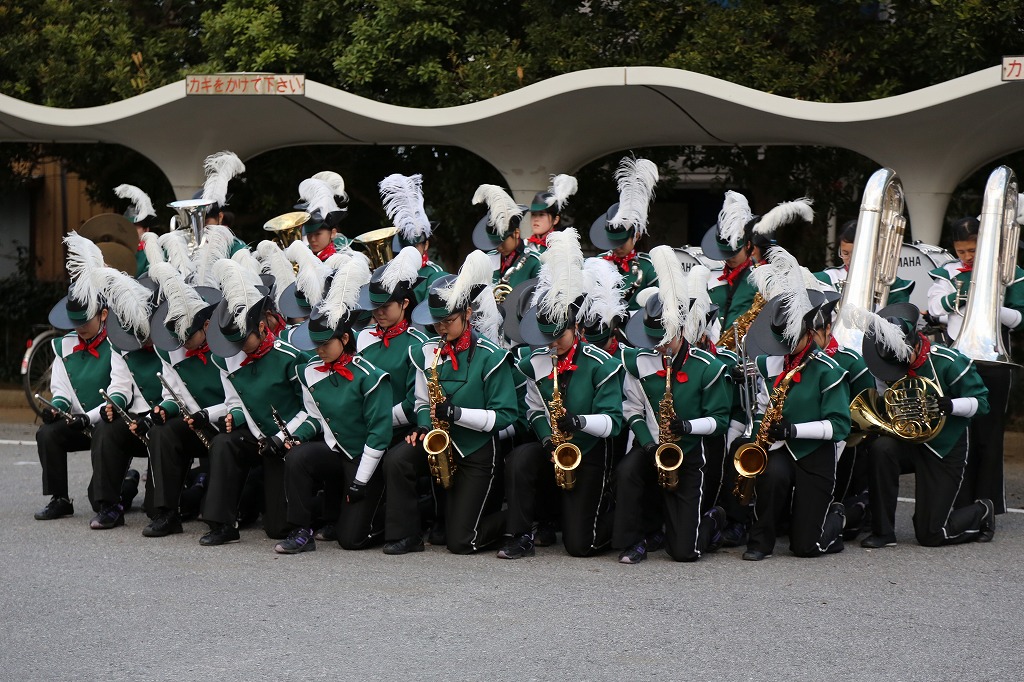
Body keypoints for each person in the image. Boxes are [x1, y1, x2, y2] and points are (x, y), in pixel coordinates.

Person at [500, 228, 624, 559]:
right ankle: (520, 535)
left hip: (591, 449)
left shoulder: (601, 364)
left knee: (580, 546)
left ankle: (624, 521)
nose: (552, 345)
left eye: (559, 337)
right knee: (520, 459)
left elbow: (614, 423)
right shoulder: (537, 359)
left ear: (576, 329)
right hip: (555, 447)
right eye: (547, 338)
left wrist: (577, 421)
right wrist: (546, 439)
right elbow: (533, 409)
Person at [384, 251, 517, 555]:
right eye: (436, 323)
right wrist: (423, 425)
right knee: (398, 459)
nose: (441, 329)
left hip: (477, 449)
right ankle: (406, 535)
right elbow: (420, 399)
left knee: (462, 542)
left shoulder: (490, 357)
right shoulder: (427, 351)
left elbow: (505, 415)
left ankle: (520, 520)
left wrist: (457, 413)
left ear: (467, 314)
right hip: (439, 440)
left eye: (448, 321)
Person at [615, 246, 731, 563]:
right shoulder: (641, 362)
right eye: (655, 340)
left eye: (665, 338)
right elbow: (632, 410)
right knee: (628, 471)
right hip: (654, 445)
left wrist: (686, 427)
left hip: (691, 452)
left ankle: (713, 519)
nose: (660, 347)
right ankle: (634, 540)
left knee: (684, 553)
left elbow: (720, 420)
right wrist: (649, 445)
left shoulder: (707, 367)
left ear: (680, 329)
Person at [740, 246, 850, 561]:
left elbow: (839, 426)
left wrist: (793, 430)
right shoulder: (771, 366)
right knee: (771, 477)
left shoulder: (830, 371)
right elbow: (761, 408)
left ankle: (837, 518)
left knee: (806, 548)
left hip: (816, 453)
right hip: (780, 450)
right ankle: (759, 542)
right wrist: (758, 436)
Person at [276, 256, 392, 553]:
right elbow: (314, 416)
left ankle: (384, 518)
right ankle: (301, 531)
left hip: (364, 458)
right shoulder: (308, 371)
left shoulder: (372, 377)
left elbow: (379, 435)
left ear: (344, 338)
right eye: (316, 344)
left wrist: (361, 481)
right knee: (298, 458)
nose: (320, 350)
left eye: (326, 343)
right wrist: (290, 436)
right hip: (333, 450)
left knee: (351, 541)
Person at [857, 302, 995, 547]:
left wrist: (951, 405)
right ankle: (883, 531)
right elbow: (884, 401)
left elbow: (983, 403)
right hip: (909, 439)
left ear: (915, 342)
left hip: (944, 446)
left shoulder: (949, 361)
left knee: (931, 534)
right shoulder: (883, 360)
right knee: (880, 449)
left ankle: (982, 511)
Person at [199, 258, 315, 546]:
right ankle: (222, 523)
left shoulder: (291, 357)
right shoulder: (227, 359)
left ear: (263, 328)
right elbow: (233, 400)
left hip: (288, 439)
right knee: (224, 443)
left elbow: (310, 408)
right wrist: (235, 415)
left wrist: (281, 436)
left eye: (244, 341)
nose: (238, 349)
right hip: (256, 436)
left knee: (278, 529)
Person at [34, 233, 136, 524]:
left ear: (103, 314)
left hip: (108, 423)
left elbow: (120, 392)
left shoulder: (116, 342)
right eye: (74, 324)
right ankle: (60, 499)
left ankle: (124, 486)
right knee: (47, 433)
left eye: (85, 323)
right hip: (80, 423)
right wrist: (57, 408)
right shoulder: (64, 345)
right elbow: (61, 389)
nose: (79, 329)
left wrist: (88, 418)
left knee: (97, 498)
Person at [927, 216, 1024, 514]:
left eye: (972, 250)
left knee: (989, 435)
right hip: (956, 359)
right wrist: (962, 295)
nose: (966, 256)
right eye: (961, 251)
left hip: (993, 359)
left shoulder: (1010, 271)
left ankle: (988, 506)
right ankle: (958, 500)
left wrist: (990, 303)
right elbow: (933, 309)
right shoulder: (947, 272)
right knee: (957, 429)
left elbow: (1019, 319)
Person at [143, 262, 225, 537]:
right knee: (161, 432)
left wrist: (208, 415)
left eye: (188, 337)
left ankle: (221, 515)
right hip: (195, 423)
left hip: (228, 422)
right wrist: (163, 409)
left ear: (207, 325)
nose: (183, 344)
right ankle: (167, 513)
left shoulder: (227, 346)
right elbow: (173, 394)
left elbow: (240, 400)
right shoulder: (173, 350)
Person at [589, 157, 659, 310]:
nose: (617, 247)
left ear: (636, 236)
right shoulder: (597, 263)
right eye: (613, 242)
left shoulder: (648, 267)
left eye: (622, 241)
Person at [380, 173, 448, 305]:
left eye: (415, 246)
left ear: (426, 245)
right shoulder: (392, 272)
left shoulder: (434, 274)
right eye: (406, 248)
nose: (410, 251)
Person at [815, 219, 915, 303]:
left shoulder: (893, 285)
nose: (850, 260)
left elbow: (901, 320)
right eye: (845, 253)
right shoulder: (827, 278)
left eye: (856, 255)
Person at [471, 184, 539, 291]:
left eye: (502, 243)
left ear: (516, 233)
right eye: (495, 244)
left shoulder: (534, 262)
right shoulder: (487, 260)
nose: (499, 248)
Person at [296, 177, 348, 261]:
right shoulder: (302, 257)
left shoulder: (345, 256)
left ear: (333, 233)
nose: (312, 239)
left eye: (318, 234)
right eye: (309, 234)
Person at [115, 183, 160, 278]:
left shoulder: (156, 252)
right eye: (128, 226)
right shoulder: (117, 250)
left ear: (146, 229)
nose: (130, 230)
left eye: (135, 227)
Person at [526, 173, 577, 256]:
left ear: (556, 220)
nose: (536, 219)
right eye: (533, 214)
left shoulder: (563, 247)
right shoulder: (525, 245)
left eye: (541, 215)